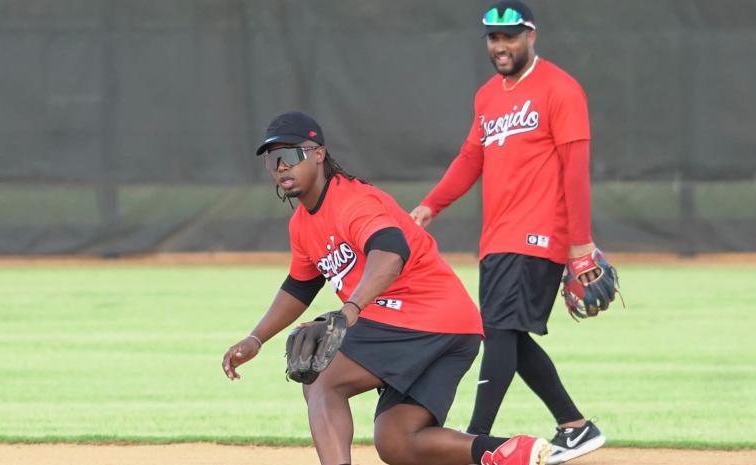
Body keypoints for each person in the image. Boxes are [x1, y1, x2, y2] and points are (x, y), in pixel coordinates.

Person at [222, 110, 552, 465]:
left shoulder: (351, 201)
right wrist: (255, 338)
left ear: (318, 154)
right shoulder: (302, 225)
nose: (281, 167)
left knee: (321, 379)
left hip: (418, 316)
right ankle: (506, 452)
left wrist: (349, 311)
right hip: (455, 329)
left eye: (290, 155)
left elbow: (391, 252)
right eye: (273, 160)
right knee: (397, 441)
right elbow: (299, 286)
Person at [409, 1, 610, 464]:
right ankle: (575, 427)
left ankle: (474, 440)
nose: (501, 46)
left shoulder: (560, 89)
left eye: (511, 36)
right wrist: (431, 204)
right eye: (494, 38)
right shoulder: (488, 96)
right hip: (498, 238)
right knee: (509, 335)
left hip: (539, 235)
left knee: (499, 333)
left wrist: (579, 245)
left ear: (531, 36)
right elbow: (470, 159)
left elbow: (575, 172)